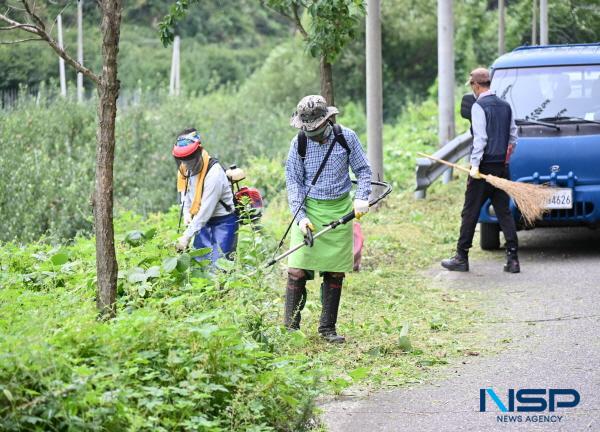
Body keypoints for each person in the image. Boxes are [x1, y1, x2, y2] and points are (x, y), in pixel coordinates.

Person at [285, 95, 372, 343]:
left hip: (339, 211)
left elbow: (364, 171)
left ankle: (327, 329)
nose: (312, 134)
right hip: (309, 209)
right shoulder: (298, 143)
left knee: (334, 272)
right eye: (307, 130)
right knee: (297, 270)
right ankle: (290, 328)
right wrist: (300, 218)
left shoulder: (347, 138)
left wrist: (361, 198)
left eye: (316, 129)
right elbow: (293, 182)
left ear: (328, 120)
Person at [441, 68, 520, 273]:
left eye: (472, 86)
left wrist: (475, 166)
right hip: (502, 168)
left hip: (483, 168)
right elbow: (513, 137)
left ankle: (461, 257)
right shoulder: (506, 106)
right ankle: (513, 259)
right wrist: (504, 160)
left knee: (470, 212)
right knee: (504, 212)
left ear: (476, 85)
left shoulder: (479, 107)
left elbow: (481, 139)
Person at [173, 128, 238, 265]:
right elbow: (186, 193)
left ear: (198, 152)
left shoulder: (214, 174)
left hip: (223, 221)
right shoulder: (185, 170)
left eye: (189, 158)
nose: (186, 162)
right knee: (200, 265)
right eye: (182, 159)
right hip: (201, 223)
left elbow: (205, 211)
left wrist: (186, 237)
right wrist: (186, 214)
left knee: (220, 266)